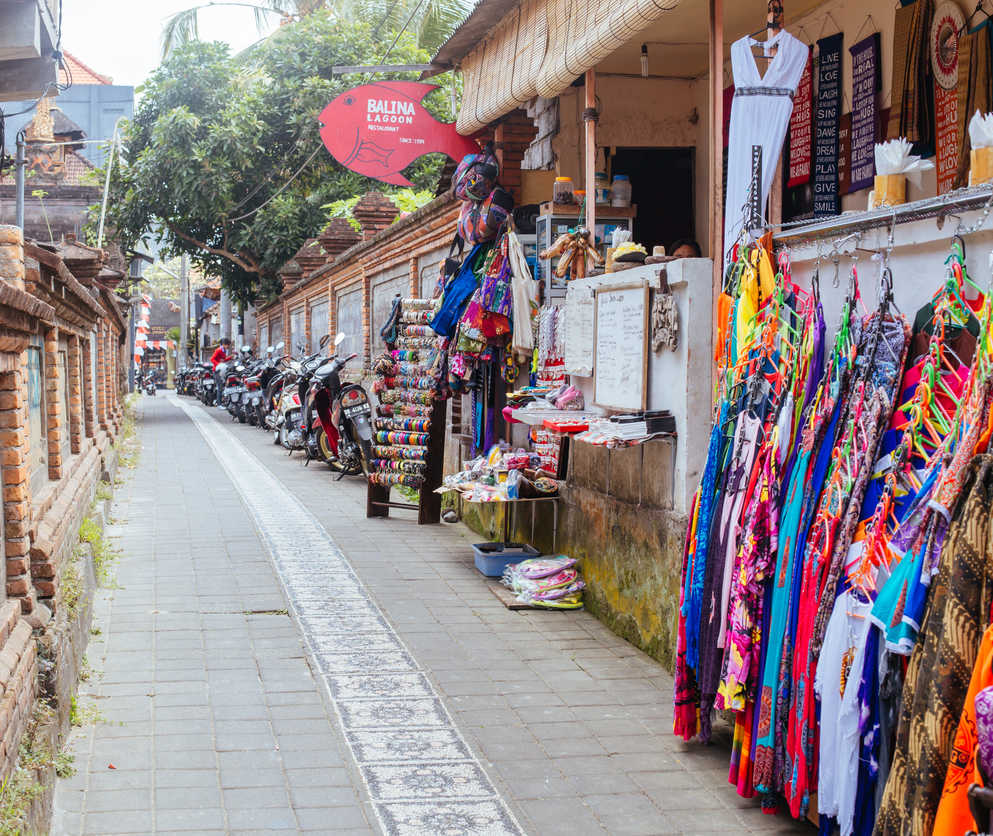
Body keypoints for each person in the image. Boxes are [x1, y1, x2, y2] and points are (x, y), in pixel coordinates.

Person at [211, 338, 232, 407]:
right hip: (217, 371)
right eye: (227, 345)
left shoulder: (224, 350)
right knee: (220, 387)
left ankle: (221, 401)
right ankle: (219, 404)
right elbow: (212, 359)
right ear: (223, 344)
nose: (228, 346)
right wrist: (218, 365)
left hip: (222, 370)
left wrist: (230, 357)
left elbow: (223, 360)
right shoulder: (218, 350)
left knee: (223, 386)